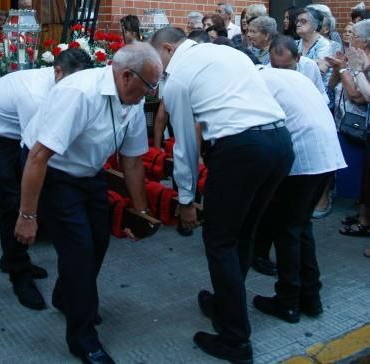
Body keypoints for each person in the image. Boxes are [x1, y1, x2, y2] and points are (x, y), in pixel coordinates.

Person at [150, 27, 293, 364]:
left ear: (168, 48)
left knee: (219, 241)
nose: (156, 71)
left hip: (241, 148)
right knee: (243, 232)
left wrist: (185, 200)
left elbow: (185, 145)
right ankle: (225, 305)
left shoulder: (179, 78)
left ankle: (235, 340)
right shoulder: (224, 52)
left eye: (156, 61)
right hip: (280, 142)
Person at [15, 43, 162, 364]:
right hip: (51, 171)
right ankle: (83, 338)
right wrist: (27, 215)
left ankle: (67, 297)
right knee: (79, 252)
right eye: (150, 85)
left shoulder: (134, 101)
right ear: (125, 76)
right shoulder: (79, 94)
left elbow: (133, 161)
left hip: (88, 171)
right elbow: (39, 157)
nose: (153, 93)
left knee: (98, 241)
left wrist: (141, 213)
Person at [0, 48, 93, 310]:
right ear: (57, 71)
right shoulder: (35, 95)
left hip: (14, 133)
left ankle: (10, 257)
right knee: (13, 201)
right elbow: (36, 152)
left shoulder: (66, 82)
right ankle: (19, 275)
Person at [253, 67, 346, 323]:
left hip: (303, 159)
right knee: (300, 227)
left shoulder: (255, 81)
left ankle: (288, 301)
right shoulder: (286, 76)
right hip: (327, 154)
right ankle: (310, 297)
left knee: (287, 231)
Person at [326, 20, 370, 240]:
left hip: (359, 122)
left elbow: (359, 95)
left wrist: (346, 68)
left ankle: (365, 221)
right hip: (344, 119)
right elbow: (332, 86)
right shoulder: (354, 59)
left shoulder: (362, 62)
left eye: (353, 35)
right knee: (363, 178)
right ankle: (362, 215)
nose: (349, 38)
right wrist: (339, 68)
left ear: (365, 41)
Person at [269, 35, 328, 100]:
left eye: (285, 67)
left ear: (297, 58)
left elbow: (321, 94)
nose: (280, 71)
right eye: (275, 66)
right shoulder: (267, 72)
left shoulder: (309, 66)